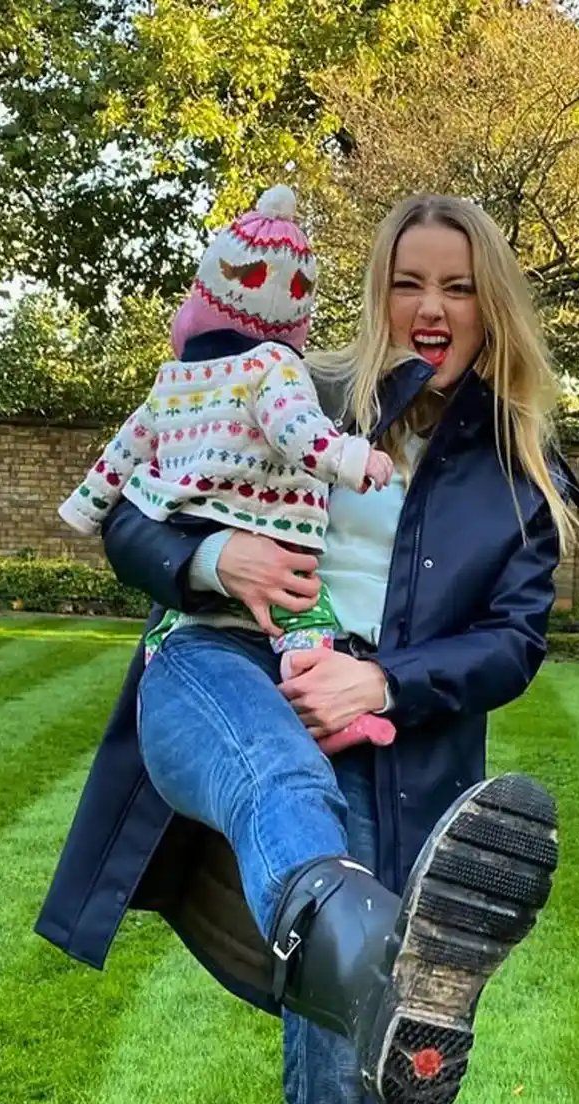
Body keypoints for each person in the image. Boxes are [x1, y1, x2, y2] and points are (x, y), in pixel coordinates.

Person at [36, 192, 579, 1104]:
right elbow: (127, 512)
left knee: (337, 1102)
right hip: (216, 673)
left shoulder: (523, 466)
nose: (431, 311)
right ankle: (386, 963)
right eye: (408, 282)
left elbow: (512, 644)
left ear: (488, 300)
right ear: (378, 292)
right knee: (283, 798)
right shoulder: (284, 384)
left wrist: (384, 680)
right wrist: (210, 561)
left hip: (384, 765)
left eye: (456, 286)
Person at [57, 183, 396, 755]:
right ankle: (330, 716)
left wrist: (83, 506)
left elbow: (122, 453)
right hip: (272, 533)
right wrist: (358, 461)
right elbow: (299, 433)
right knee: (307, 621)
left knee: (189, 628)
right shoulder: (276, 366)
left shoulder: (175, 379)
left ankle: (172, 661)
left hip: (190, 525)